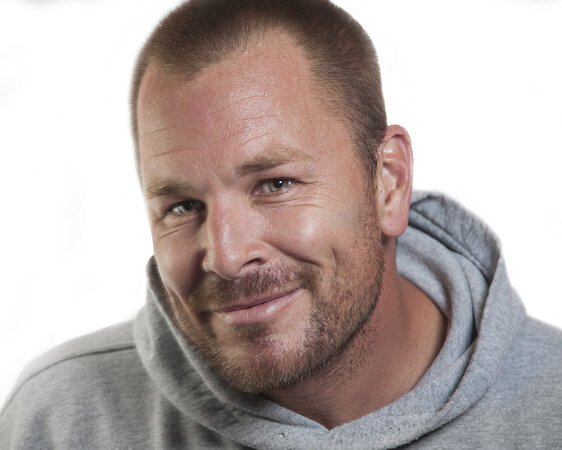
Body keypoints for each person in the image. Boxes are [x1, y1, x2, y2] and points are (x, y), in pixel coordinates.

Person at [1, 0, 560, 448]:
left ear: (388, 183)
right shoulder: (57, 422)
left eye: (275, 185)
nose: (226, 255)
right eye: (182, 206)